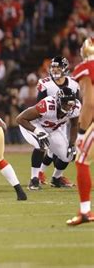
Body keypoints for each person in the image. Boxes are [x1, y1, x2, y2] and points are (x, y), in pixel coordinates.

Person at [17, 87, 80, 190]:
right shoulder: (47, 105)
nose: (69, 107)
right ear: (58, 101)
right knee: (41, 144)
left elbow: (74, 125)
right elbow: (20, 119)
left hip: (52, 129)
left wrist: (72, 144)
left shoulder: (76, 107)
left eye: (70, 104)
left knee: (68, 155)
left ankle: (56, 178)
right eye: (65, 103)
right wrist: (37, 132)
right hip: (33, 124)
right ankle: (34, 180)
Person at [36, 56, 79, 186]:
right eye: (53, 67)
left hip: (63, 122)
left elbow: (76, 104)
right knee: (52, 149)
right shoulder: (45, 83)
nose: (55, 69)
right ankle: (46, 176)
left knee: (63, 152)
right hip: (47, 121)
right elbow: (38, 106)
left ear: (65, 68)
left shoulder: (73, 83)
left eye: (58, 67)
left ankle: (49, 176)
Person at [66, 37, 94, 225]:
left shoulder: (86, 68)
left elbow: (90, 103)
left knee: (82, 159)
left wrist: (82, 133)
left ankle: (85, 211)